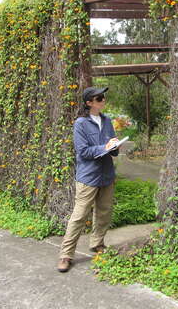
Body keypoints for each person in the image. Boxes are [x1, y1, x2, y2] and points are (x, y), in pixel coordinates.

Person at [57, 86, 121, 273]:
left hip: (107, 175)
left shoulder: (107, 121)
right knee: (79, 216)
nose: (103, 100)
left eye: (103, 97)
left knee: (104, 212)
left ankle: (97, 244)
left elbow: (114, 150)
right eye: (99, 98)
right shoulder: (81, 124)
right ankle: (66, 255)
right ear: (89, 103)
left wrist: (115, 146)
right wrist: (104, 147)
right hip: (88, 177)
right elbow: (83, 151)